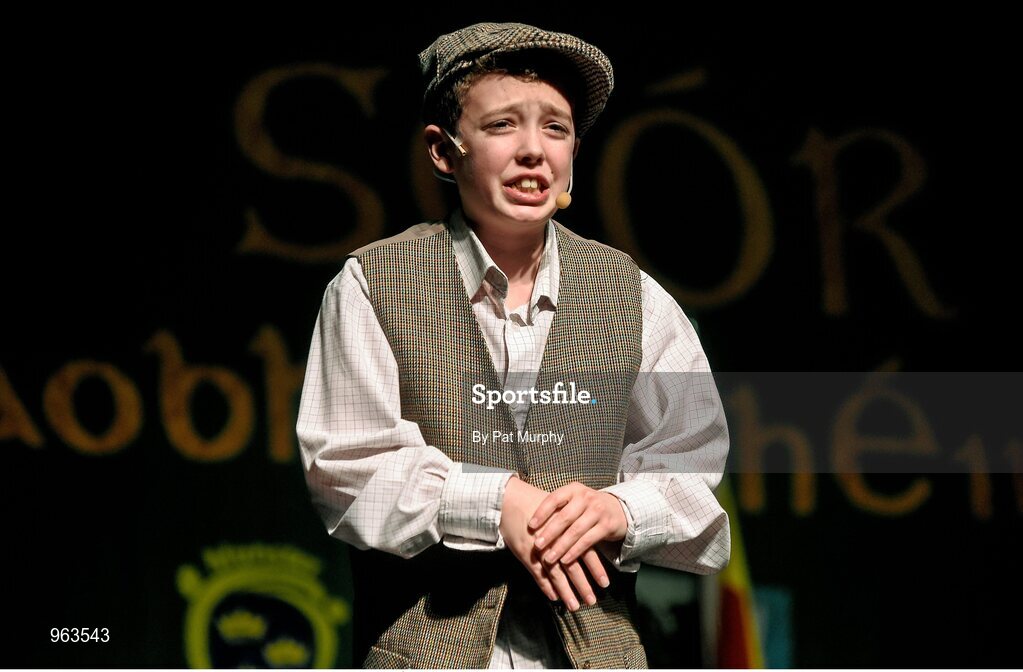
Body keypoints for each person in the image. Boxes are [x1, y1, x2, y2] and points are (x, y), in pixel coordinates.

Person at [296, 22, 730, 669]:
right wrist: (496, 502)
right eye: (502, 125)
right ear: (444, 150)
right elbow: (345, 464)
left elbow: (690, 467)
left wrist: (615, 508)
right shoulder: (376, 283)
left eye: (554, 128)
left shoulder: (628, 292)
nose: (533, 150)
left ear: (574, 150)